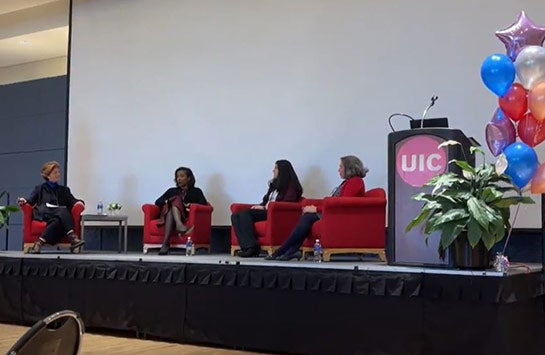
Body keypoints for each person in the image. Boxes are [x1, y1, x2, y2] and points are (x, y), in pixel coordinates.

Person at [266, 155, 368, 261]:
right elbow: (334, 202)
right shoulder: (348, 182)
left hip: (340, 216)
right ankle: (291, 251)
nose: (339, 170)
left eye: (341, 167)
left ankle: (282, 251)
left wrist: (316, 209)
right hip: (334, 213)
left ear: (349, 168)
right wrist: (315, 207)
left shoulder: (355, 182)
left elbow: (341, 203)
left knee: (307, 217)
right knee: (307, 216)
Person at [231, 160, 303, 257]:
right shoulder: (274, 185)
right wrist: (260, 206)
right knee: (236, 215)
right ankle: (246, 247)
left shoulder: (292, 186)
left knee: (245, 214)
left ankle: (252, 247)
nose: (273, 170)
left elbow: (286, 203)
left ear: (283, 171)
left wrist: (265, 208)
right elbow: (266, 201)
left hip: (276, 214)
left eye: (276, 168)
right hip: (267, 211)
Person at [17, 161, 85, 254]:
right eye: (55, 172)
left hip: (57, 215)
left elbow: (73, 201)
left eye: (58, 172)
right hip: (44, 212)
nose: (58, 174)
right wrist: (24, 200)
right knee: (63, 210)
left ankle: (39, 243)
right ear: (48, 176)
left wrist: (79, 203)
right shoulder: (40, 188)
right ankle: (72, 236)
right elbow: (30, 200)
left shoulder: (64, 190)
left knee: (57, 220)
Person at [154, 167, 208, 255]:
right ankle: (179, 226)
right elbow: (158, 202)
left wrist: (191, 205)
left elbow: (204, 204)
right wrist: (168, 201)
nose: (178, 179)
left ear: (189, 178)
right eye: (177, 177)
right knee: (175, 201)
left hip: (185, 215)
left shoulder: (196, 191)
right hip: (168, 215)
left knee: (175, 203)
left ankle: (165, 243)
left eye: (182, 176)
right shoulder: (172, 191)